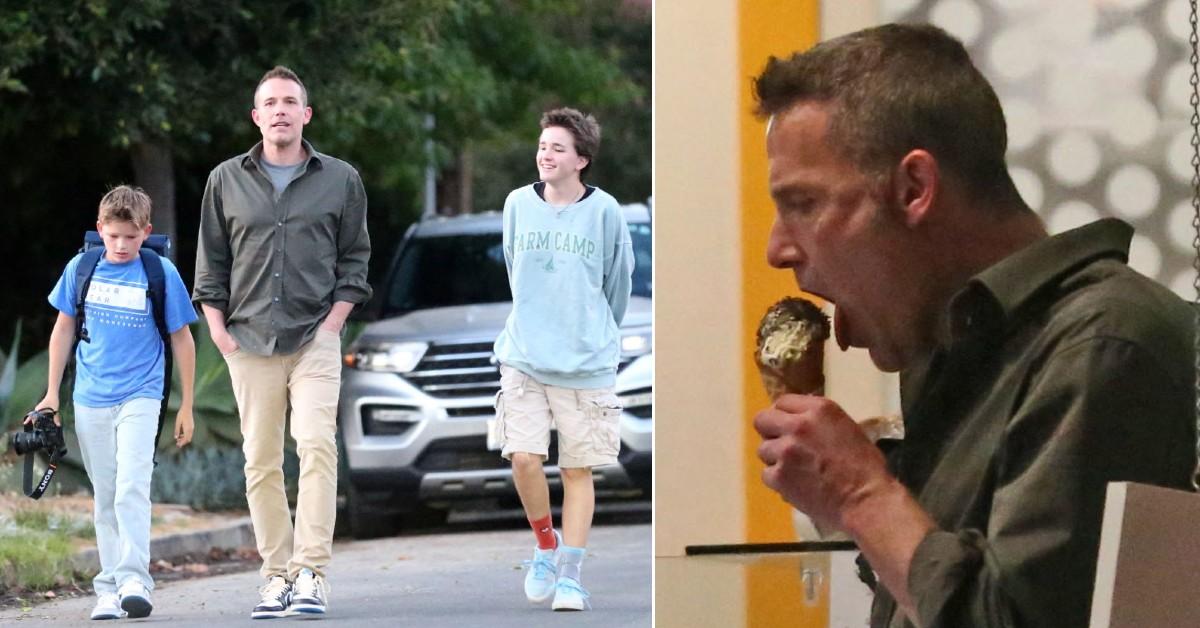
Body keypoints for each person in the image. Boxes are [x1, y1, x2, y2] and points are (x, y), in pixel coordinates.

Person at [750, 23, 1195, 628]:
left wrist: (860, 493)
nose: (778, 249)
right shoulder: (961, 351)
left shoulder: (1102, 343)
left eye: (802, 204)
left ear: (913, 188)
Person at [192, 65, 371, 619]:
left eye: (290, 101)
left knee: (317, 447)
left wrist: (334, 324)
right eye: (269, 102)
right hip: (247, 340)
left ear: (305, 114)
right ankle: (275, 576)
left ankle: (311, 572)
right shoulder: (225, 180)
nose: (280, 110)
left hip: (316, 335)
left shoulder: (341, 179)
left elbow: (356, 260)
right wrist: (219, 334)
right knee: (260, 461)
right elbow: (211, 265)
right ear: (256, 115)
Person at [492, 107, 635, 612]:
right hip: (525, 356)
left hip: (585, 364)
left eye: (557, 148)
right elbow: (515, 269)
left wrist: (591, 332)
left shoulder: (605, 212)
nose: (545, 155)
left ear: (581, 160)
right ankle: (546, 544)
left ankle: (572, 576)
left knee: (578, 470)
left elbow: (618, 284)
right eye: (543, 146)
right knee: (525, 457)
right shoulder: (516, 204)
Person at [35, 185, 197, 620]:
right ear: (100, 230)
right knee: (105, 494)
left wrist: (187, 404)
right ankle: (107, 586)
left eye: (131, 236)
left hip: (141, 394)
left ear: (146, 231)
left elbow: (182, 339)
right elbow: (62, 329)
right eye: (114, 236)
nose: (122, 245)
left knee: (131, 487)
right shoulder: (81, 268)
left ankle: (133, 580)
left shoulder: (160, 273)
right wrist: (51, 393)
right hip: (89, 397)